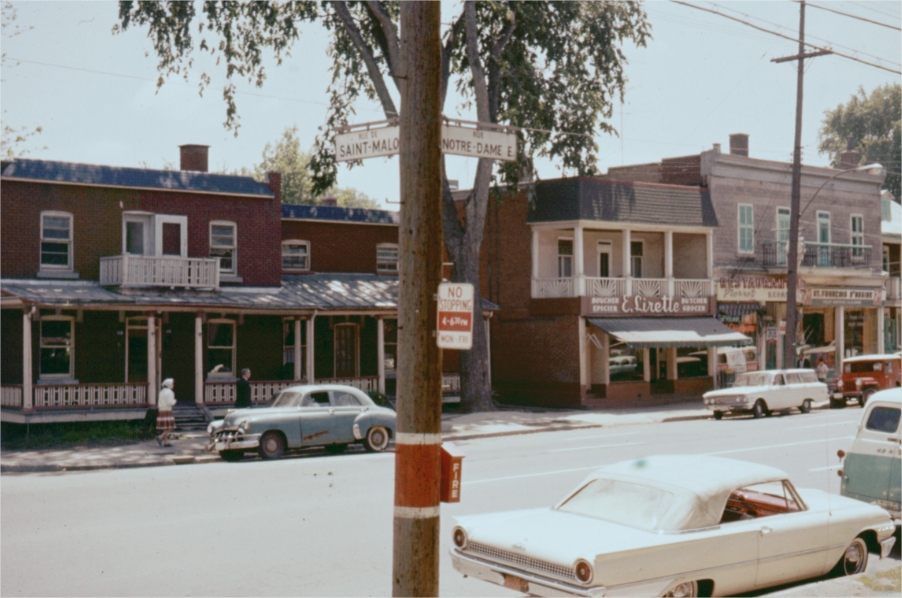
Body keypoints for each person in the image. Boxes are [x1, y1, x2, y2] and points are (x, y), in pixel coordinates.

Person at [156, 378, 177, 447]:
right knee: (171, 427)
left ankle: (166, 442)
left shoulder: (161, 392)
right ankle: (160, 437)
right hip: (167, 410)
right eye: (172, 384)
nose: (173, 385)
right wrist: (174, 401)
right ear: (169, 385)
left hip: (161, 410)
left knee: (165, 427)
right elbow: (169, 402)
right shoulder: (170, 392)